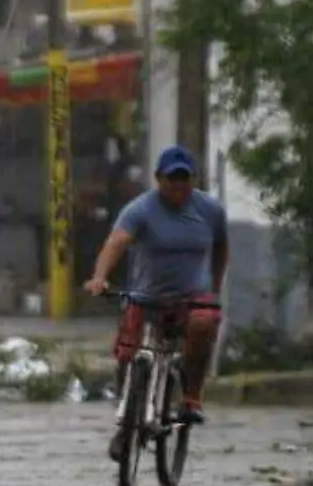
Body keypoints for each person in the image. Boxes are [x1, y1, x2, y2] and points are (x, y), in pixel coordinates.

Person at [84, 144, 228, 437]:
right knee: (127, 351)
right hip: (147, 295)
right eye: (171, 178)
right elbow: (116, 243)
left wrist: (215, 286)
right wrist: (99, 278)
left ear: (194, 180)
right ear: (158, 179)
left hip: (192, 297)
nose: (177, 185)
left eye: (183, 178)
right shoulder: (140, 209)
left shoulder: (210, 211)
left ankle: (191, 398)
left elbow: (221, 247)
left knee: (202, 325)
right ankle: (125, 416)